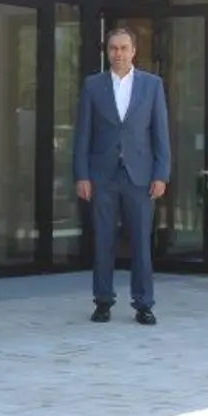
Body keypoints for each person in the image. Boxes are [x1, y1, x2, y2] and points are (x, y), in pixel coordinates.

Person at [72, 27, 170, 325]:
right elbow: (83, 134)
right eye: (113, 48)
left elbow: (161, 133)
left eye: (124, 48)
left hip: (140, 176)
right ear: (107, 51)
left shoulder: (152, 85)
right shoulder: (93, 85)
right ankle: (103, 301)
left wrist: (161, 173)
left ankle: (144, 303)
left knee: (141, 242)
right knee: (103, 241)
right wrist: (82, 175)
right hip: (102, 176)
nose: (118, 54)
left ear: (134, 51)